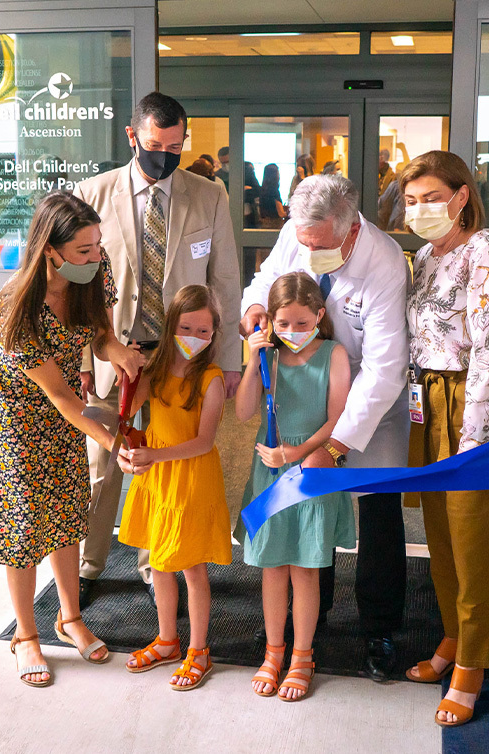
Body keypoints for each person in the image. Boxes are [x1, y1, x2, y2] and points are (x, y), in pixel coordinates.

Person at [72, 92, 241, 607]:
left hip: (178, 359)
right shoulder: (94, 193)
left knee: (162, 459)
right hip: (112, 353)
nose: (165, 155)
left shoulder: (208, 195)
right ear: (132, 137)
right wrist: (83, 359)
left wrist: (228, 360)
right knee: (104, 463)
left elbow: (226, 282)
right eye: (154, 145)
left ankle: (156, 562)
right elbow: (80, 288)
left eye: (175, 145)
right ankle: (90, 564)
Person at [240, 174, 410, 682]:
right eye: (302, 241)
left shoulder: (383, 261)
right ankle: (312, 616)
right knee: (310, 510)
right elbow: (265, 280)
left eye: (319, 244)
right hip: (306, 392)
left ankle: (379, 628)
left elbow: (383, 369)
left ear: (350, 228)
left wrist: (334, 445)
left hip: (370, 406)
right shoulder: (300, 231)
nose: (306, 250)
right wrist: (254, 311)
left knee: (378, 512)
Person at [0, 192, 143, 687]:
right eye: (83, 249)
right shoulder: (17, 304)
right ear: (50, 251)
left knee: (67, 509)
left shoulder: (97, 268)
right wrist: (115, 442)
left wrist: (117, 350)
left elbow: (97, 330)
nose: (95, 255)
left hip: (61, 408)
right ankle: (26, 634)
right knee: (26, 521)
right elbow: (61, 398)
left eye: (98, 245)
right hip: (17, 413)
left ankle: (69, 616)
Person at [234, 272, 355, 702]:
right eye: (283, 324)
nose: (291, 333)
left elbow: (338, 418)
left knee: (305, 569)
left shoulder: (333, 354)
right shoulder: (271, 356)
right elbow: (245, 410)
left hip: (310, 473)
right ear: (270, 322)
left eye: (302, 324)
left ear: (320, 316)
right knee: (273, 566)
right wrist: (253, 361)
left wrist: (297, 452)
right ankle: (273, 651)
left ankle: (302, 656)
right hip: (270, 471)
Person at [401, 150, 489, 727]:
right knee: (436, 527)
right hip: (426, 402)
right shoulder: (427, 256)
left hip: (467, 404)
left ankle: (473, 664)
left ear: (460, 196)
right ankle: (453, 636)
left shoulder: (482, 252)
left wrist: (474, 435)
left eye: (431, 198)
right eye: (411, 201)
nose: (421, 209)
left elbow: (486, 350)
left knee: (470, 535)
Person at [117, 284, 231, 690]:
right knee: (160, 561)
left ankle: (198, 650)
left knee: (191, 567)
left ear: (215, 333)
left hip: (189, 479)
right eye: (186, 328)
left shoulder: (212, 379)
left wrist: (155, 457)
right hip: (159, 481)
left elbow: (205, 441)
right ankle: (167, 640)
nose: (194, 338)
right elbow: (129, 412)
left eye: (204, 331)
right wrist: (126, 374)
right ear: (170, 327)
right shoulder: (158, 370)